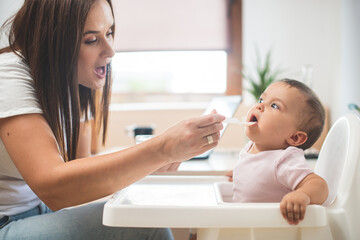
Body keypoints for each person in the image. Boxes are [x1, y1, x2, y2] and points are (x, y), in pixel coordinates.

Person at [0, 0, 225, 239]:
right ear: (53, 41)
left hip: (39, 211)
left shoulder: (69, 81)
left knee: (143, 209)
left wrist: (147, 164)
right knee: (147, 227)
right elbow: (55, 187)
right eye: (91, 40)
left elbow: (80, 171)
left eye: (109, 33)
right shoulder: (9, 75)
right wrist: (161, 149)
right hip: (8, 223)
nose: (110, 51)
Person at [227, 79, 328, 225]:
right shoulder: (252, 146)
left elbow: (319, 185)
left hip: (266, 231)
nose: (260, 106)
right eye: (261, 99)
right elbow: (261, 171)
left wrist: (302, 194)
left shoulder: (284, 160)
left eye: (274, 105)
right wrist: (242, 172)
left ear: (295, 137)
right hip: (244, 225)